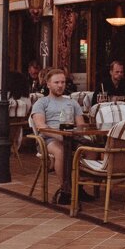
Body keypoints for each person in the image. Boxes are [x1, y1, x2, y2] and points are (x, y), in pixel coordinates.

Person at [31, 69, 86, 205]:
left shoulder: (72, 103)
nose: (60, 85)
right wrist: (59, 136)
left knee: (91, 150)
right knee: (61, 151)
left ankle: (79, 187)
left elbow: (81, 125)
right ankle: (66, 190)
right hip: (48, 139)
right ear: (48, 84)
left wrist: (74, 134)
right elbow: (41, 126)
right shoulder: (42, 103)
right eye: (56, 82)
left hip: (71, 136)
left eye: (63, 82)